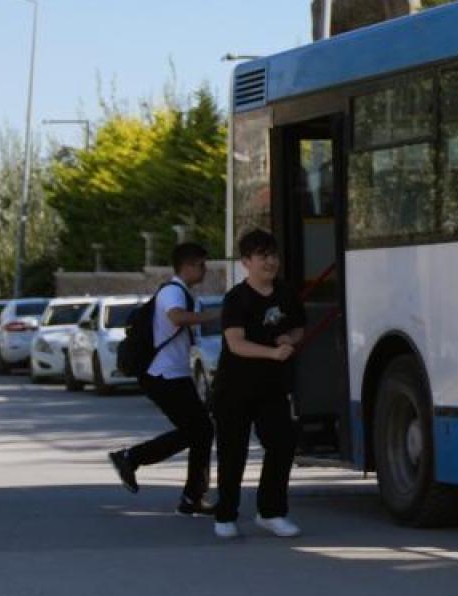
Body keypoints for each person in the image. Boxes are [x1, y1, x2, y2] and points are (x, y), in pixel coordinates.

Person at [108, 242, 221, 516]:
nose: (205, 270)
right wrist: (214, 315)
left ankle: (191, 496)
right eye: (201, 265)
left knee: (200, 431)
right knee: (200, 430)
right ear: (188, 266)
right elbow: (176, 317)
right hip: (163, 374)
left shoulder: (179, 291)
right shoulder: (172, 291)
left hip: (173, 373)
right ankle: (133, 459)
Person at [212, 229, 308, 539]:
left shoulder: (286, 293)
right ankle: (225, 515)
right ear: (246, 262)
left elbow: (298, 329)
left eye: (273, 255)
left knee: (282, 443)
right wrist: (271, 352)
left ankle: (271, 512)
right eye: (262, 256)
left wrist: (288, 338)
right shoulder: (236, 298)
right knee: (233, 452)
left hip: (272, 388)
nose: (270, 262)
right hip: (234, 388)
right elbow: (236, 343)